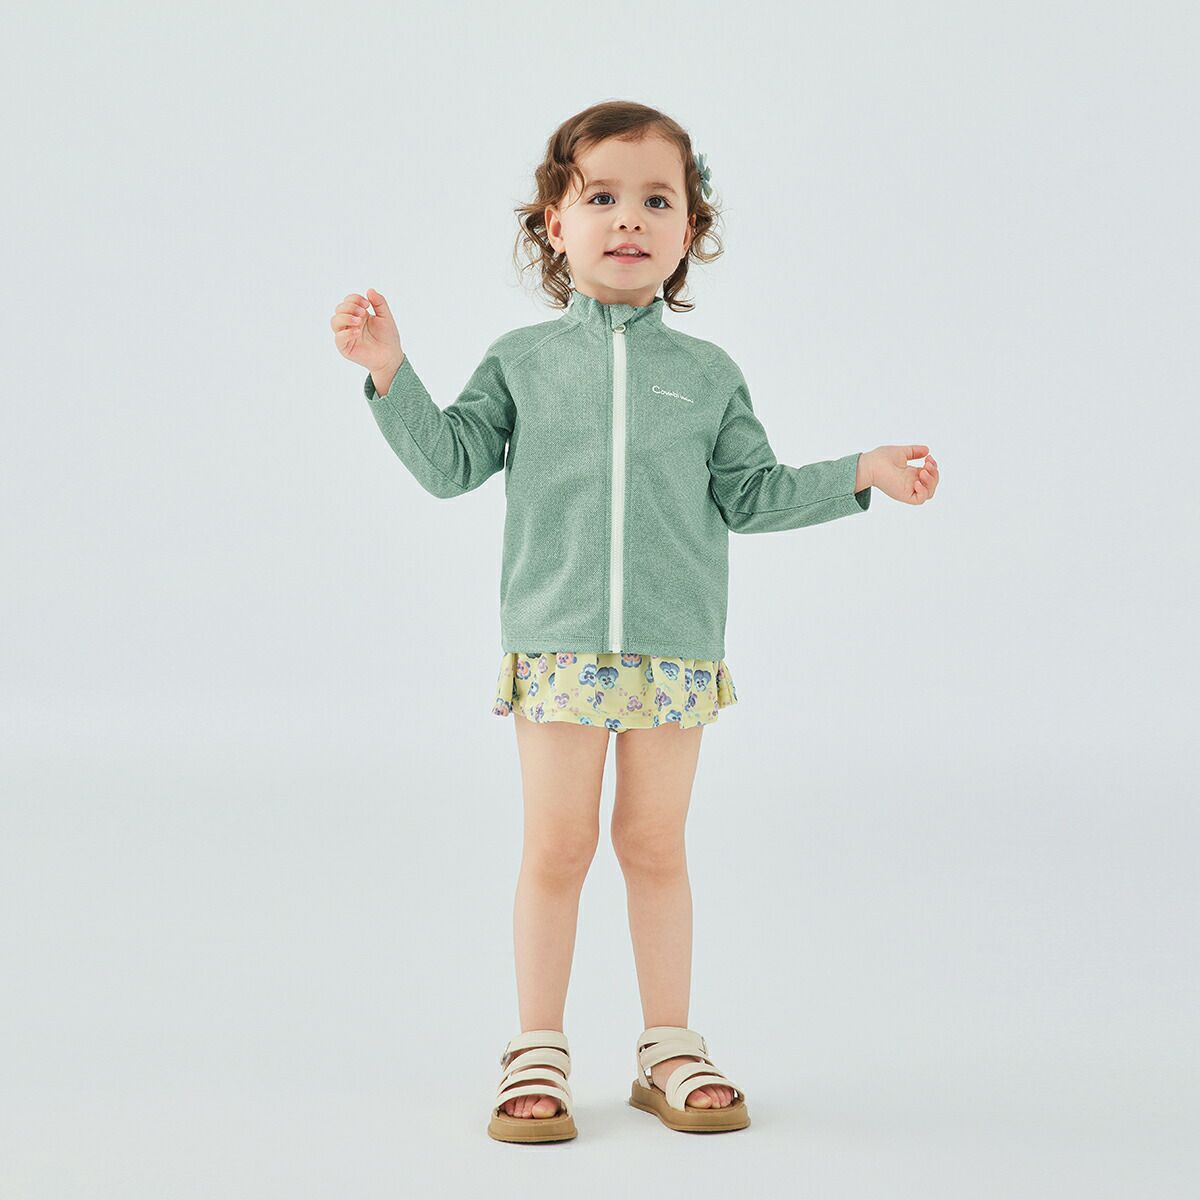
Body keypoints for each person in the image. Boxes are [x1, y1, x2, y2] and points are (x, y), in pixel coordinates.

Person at [329, 100, 939, 1143]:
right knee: (557, 847)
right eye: (601, 196)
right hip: (557, 643)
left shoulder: (708, 376)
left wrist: (860, 474)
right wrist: (391, 370)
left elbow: (750, 495)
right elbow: (451, 463)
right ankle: (537, 1047)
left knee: (654, 845)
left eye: (658, 201)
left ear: (688, 229)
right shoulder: (522, 360)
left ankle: (669, 1048)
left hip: (675, 648)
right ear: (553, 225)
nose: (629, 219)